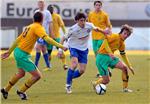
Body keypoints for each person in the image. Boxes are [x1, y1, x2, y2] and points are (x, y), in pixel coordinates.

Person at [1, 12, 67, 100]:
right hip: (22, 55)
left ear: (33, 19)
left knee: (21, 73)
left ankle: (6, 89)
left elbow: (17, 39)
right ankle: (21, 91)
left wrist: (9, 51)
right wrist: (61, 46)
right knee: (37, 76)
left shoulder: (29, 26)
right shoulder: (38, 27)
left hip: (18, 52)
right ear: (42, 19)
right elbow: (47, 39)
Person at [60, 12, 111, 94]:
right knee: (74, 64)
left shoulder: (89, 25)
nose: (83, 22)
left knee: (81, 71)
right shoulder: (72, 29)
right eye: (81, 21)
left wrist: (104, 32)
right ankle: (68, 85)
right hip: (74, 48)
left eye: (84, 20)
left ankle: (69, 77)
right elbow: (63, 38)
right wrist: (60, 50)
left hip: (83, 50)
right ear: (76, 21)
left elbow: (96, 29)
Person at [92, 24, 135, 93]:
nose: (126, 36)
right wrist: (109, 52)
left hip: (110, 58)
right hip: (101, 58)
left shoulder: (122, 43)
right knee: (106, 81)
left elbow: (123, 55)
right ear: (121, 32)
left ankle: (125, 88)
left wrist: (129, 66)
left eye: (128, 35)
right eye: (125, 33)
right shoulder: (115, 36)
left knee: (124, 68)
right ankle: (96, 84)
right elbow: (105, 42)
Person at [88, 0, 112, 77]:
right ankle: (106, 69)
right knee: (96, 54)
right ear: (94, 6)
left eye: (99, 5)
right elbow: (89, 24)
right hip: (94, 37)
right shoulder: (90, 14)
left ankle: (101, 71)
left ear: (101, 6)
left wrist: (109, 32)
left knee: (101, 53)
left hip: (102, 36)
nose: (98, 6)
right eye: (96, 5)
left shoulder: (105, 15)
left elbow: (109, 25)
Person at [47, 5, 68, 70]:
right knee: (48, 52)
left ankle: (64, 64)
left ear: (53, 10)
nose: (50, 10)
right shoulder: (46, 17)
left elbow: (62, 26)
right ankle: (48, 65)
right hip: (49, 37)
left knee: (61, 51)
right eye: (49, 9)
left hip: (56, 37)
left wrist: (66, 34)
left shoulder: (57, 16)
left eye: (51, 9)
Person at [34, 0, 54, 70]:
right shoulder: (36, 12)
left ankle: (35, 65)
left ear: (44, 4)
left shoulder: (47, 12)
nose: (40, 4)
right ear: (38, 4)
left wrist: (51, 33)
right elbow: (34, 23)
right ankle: (48, 65)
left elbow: (50, 23)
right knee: (44, 49)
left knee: (37, 47)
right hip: (37, 33)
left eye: (42, 3)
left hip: (44, 33)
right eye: (39, 3)